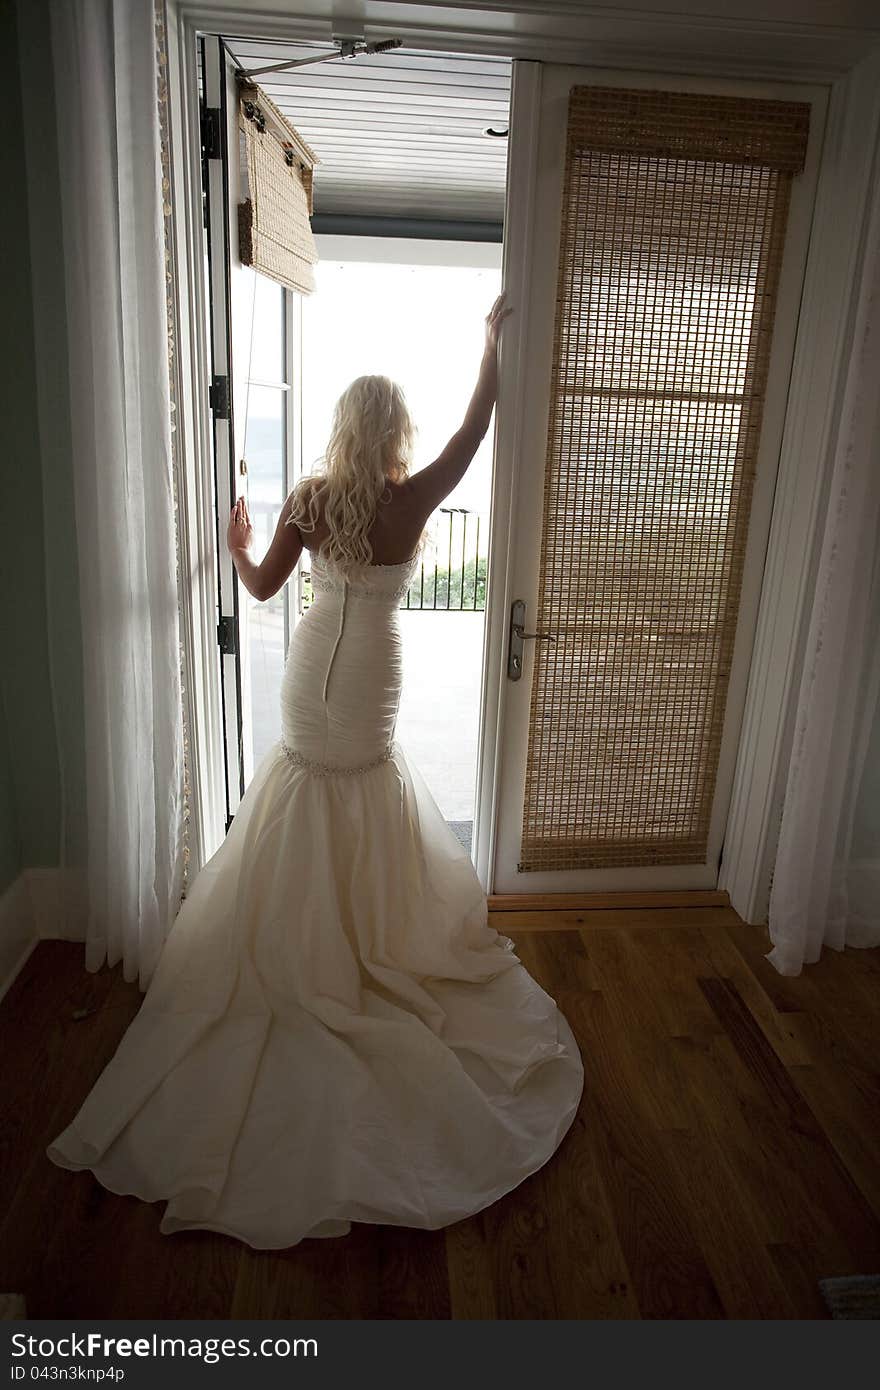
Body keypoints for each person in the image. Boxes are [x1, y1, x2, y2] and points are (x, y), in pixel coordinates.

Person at [46, 295, 584, 1250]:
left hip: (308, 679)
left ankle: (306, 950)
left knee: (303, 789)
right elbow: (477, 426)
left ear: (342, 425)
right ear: (392, 434)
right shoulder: (411, 498)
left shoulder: (306, 497)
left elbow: (258, 589)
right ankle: (359, 943)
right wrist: (491, 344)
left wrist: (241, 544)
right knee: (364, 791)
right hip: (371, 672)